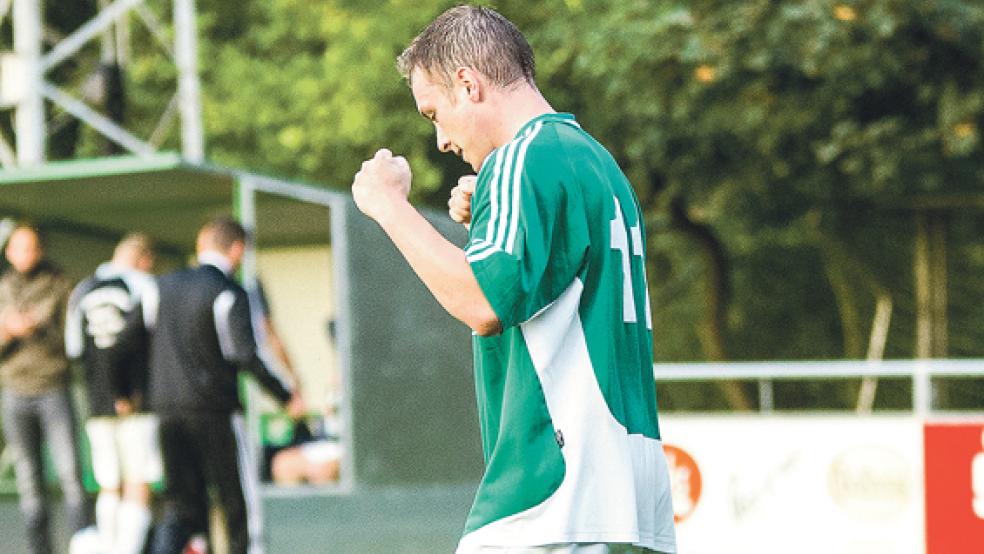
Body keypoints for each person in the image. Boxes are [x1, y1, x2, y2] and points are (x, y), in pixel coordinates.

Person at [350, 6, 677, 553]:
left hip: (555, 490)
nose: (442, 143)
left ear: (468, 85)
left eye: (433, 114)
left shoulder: (522, 158)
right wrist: (492, 213)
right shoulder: (596, 163)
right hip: (630, 492)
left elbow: (482, 300)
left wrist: (389, 207)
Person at [146, 216, 305, 554]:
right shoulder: (228, 291)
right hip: (214, 410)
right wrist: (285, 395)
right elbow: (243, 353)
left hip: (165, 410)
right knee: (235, 496)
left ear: (201, 243)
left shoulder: (161, 286)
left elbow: (132, 338)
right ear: (237, 248)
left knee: (182, 501)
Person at [65, 232, 160, 554]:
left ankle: (108, 547)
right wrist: (127, 390)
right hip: (137, 400)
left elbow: (74, 349)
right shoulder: (143, 287)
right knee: (138, 479)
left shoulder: (82, 290)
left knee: (108, 483)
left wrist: (103, 388)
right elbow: (144, 339)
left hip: (97, 400)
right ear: (144, 259)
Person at [0, 223, 89, 554]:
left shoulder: (59, 285)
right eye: (19, 248)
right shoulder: (3, 288)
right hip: (14, 391)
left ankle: (84, 544)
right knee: (29, 482)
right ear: (9, 253)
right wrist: (8, 331)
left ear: (41, 250)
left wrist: (39, 326)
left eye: (32, 248)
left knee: (70, 476)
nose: (26, 255)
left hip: (52, 387)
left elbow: (73, 341)